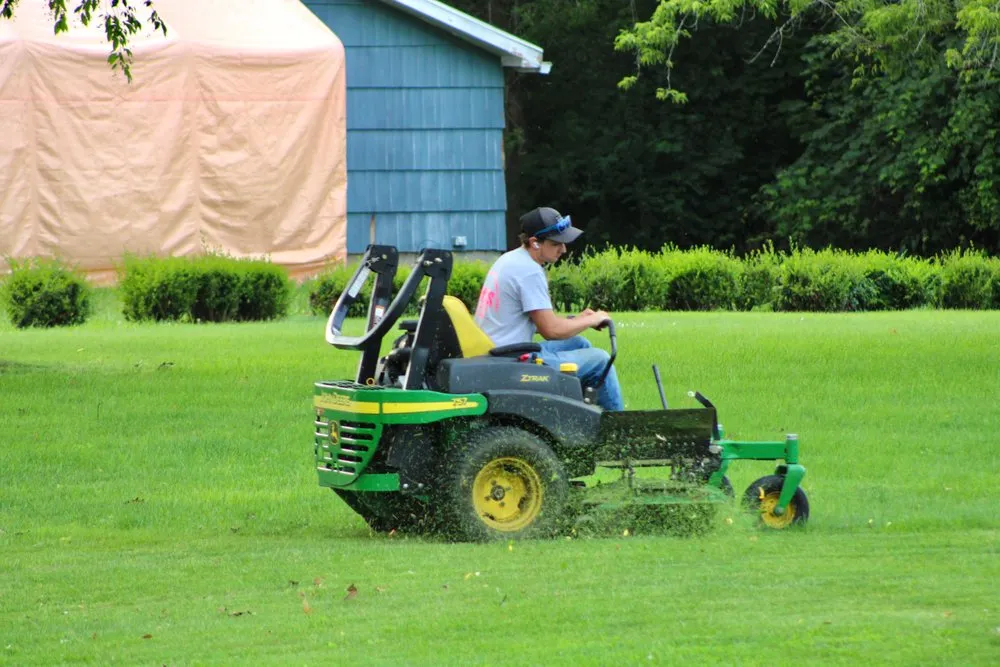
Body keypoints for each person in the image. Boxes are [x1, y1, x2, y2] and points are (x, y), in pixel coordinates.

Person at [474, 206, 624, 411]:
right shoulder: (529, 272)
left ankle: (579, 413)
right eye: (556, 244)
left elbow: (537, 320)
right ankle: (617, 427)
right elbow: (551, 331)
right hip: (511, 360)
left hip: (499, 351)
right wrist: (590, 320)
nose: (563, 250)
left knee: (579, 343)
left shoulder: (511, 259)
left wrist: (576, 320)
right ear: (535, 242)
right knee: (600, 360)